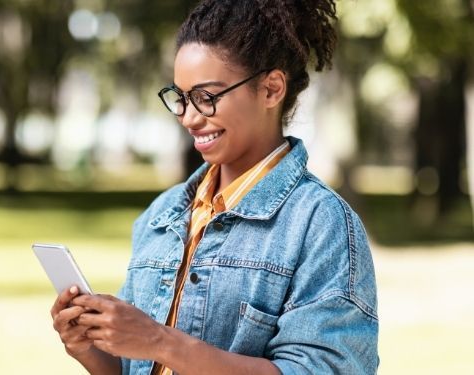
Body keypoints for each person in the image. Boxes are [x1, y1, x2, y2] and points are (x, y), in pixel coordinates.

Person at [50, 0, 379, 373]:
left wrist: (161, 341)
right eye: (181, 98)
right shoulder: (163, 214)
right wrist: (90, 346)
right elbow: (134, 366)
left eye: (206, 98)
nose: (189, 118)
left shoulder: (320, 223)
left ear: (271, 89)